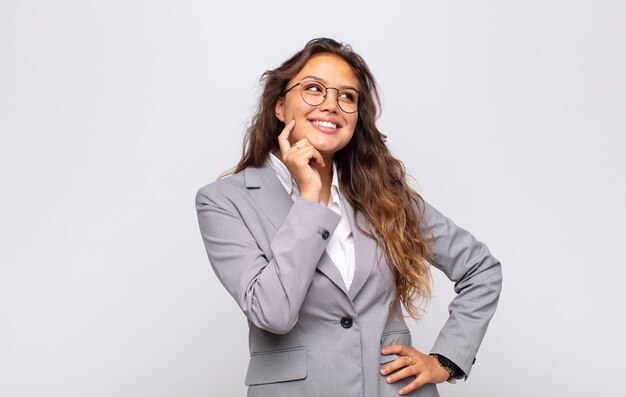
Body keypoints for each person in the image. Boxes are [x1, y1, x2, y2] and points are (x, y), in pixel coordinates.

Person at [195, 38, 502, 397]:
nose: (331, 105)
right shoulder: (225, 201)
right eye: (313, 89)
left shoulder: (383, 196)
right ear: (280, 107)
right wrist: (310, 198)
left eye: (347, 97)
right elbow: (273, 313)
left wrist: (446, 359)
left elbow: (481, 268)